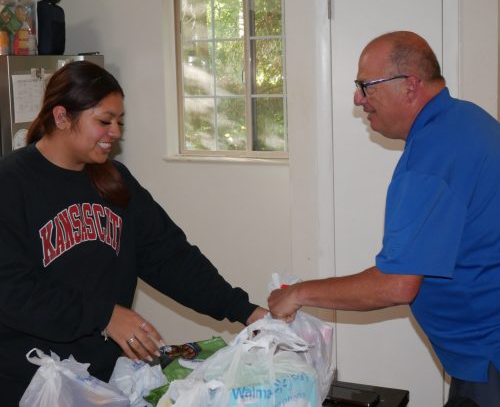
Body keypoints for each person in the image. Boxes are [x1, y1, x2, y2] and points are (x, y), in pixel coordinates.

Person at [0, 60, 266, 405]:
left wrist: (243, 309)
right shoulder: (11, 184)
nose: (115, 132)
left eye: (119, 122)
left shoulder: (114, 181)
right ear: (63, 117)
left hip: (102, 379)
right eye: (104, 121)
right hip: (28, 383)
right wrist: (104, 316)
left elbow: (170, 257)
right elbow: (12, 292)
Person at [268, 31, 500, 406]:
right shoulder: (464, 120)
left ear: (409, 85)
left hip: (488, 356)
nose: (358, 99)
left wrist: (297, 293)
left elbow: (396, 284)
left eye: (366, 86)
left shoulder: (431, 160)